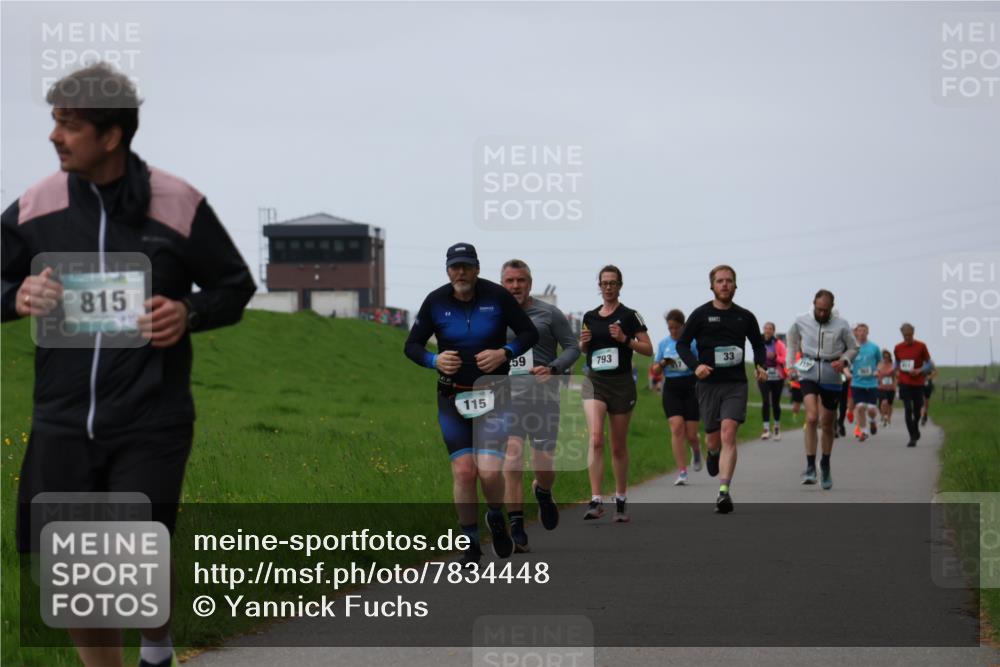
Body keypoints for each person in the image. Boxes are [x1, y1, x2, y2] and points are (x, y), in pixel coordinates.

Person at [3, 63, 257, 667]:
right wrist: (15, 296)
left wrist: (188, 311)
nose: (54, 136)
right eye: (54, 122)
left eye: (69, 125)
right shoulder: (35, 206)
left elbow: (235, 285)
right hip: (63, 418)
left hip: (150, 416)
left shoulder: (178, 203)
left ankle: (156, 647)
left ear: (111, 134)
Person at [405, 243, 539, 564]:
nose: (461, 272)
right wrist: (434, 360)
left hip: (495, 396)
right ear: (447, 270)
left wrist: (504, 353)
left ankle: (495, 515)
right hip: (453, 398)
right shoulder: (435, 301)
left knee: (490, 473)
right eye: (455, 267)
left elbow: (528, 333)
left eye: (466, 266)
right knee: (465, 472)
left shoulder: (497, 296)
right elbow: (411, 346)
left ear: (477, 268)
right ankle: (470, 542)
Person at [499, 259, 580, 552]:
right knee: (511, 460)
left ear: (530, 284)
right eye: (510, 281)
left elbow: (573, 347)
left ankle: (543, 491)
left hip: (544, 398)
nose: (515, 286)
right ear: (502, 285)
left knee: (543, 464)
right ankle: (517, 528)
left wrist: (554, 368)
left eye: (520, 280)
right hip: (507, 397)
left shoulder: (549, 314)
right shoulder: (494, 315)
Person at [676, 265, 767, 514]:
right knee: (714, 439)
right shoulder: (700, 314)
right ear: (712, 286)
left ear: (736, 285)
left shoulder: (745, 317)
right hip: (708, 385)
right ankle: (712, 453)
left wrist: (761, 365)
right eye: (720, 281)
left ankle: (723, 492)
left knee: (729, 432)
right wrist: (695, 366)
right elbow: (682, 344)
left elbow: (758, 345)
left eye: (729, 280)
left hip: (735, 384)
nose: (725, 284)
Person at [579, 265, 652, 522]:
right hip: (595, 382)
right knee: (596, 439)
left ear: (620, 285)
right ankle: (596, 499)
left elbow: (648, 349)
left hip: (621, 384)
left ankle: (620, 498)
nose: (608, 287)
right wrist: (583, 343)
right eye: (604, 283)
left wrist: (625, 340)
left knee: (618, 446)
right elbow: (584, 349)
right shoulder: (589, 316)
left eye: (612, 282)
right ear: (599, 286)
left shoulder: (630, 316)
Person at [785, 290, 858, 490]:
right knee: (811, 417)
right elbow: (791, 342)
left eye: (826, 310)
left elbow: (854, 347)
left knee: (827, 423)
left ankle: (825, 463)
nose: (822, 314)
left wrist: (844, 360)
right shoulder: (801, 320)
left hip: (831, 375)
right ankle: (810, 467)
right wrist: (790, 366)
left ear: (832, 307)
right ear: (814, 304)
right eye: (819, 310)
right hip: (807, 372)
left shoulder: (841, 324)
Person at [654, 309, 703, 486]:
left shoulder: (692, 343)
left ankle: (696, 449)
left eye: (676, 327)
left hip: (691, 388)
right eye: (670, 328)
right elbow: (655, 370)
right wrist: (662, 363)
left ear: (683, 326)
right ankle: (682, 471)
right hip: (671, 389)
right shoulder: (663, 344)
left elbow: (700, 364)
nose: (673, 331)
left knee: (691, 434)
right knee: (676, 428)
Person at [893, 323, 934, 447]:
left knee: (917, 410)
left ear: (913, 333)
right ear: (902, 334)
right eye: (905, 335)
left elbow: (929, 364)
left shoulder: (921, 346)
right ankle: (912, 437)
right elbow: (897, 362)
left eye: (909, 335)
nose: (907, 338)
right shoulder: (898, 347)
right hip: (904, 382)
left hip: (918, 383)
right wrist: (896, 370)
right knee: (908, 409)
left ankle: (915, 426)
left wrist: (919, 370)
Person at [850, 323, 882, 441]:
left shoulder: (874, 347)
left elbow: (880, 361)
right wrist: (847, 372)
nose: (862, 333)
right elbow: (846, 362)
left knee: (871, 409)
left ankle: (872, 421)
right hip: (857, 383)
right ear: (856, 333)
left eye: (864, 331)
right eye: (859, 331)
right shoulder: (852, 348)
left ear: (867, 332)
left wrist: (877, 370)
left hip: (871, 383)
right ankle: (864, 432)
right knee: (860, 407)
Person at [757, 322, 787, 441]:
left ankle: (776, 428)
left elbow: (784, 359)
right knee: (765, 401)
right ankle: (766, 429)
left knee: (775, 402)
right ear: (763, 330)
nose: (767, 330)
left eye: (770, 328)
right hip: (763, 374)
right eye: (766, 328)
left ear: (773, 331)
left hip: (777, 375)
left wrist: (775, 357)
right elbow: (756, 357)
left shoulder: (779, 344)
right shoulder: (759, 342)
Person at [876, 349, 897, 427]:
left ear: (889, 357)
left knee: (890, 404)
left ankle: (888, 419)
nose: (886, 358)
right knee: (883, 402)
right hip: (881, 387)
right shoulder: (879, 365)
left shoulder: (893, 365)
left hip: (891, 388)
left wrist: (895, 386)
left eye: (887, 357)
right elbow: (876, 374)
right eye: (884, 357)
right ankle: (883, 417)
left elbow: (895, 376)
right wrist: (877, 377)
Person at [789, 351, 804, 424]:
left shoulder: (809, 355)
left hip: (806, 384)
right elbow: (789, 368)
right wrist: (792, 374)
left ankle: (807, 422)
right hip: (796, 385)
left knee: (809, 404)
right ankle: (794, 418)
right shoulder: (796, 355)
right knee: (796, 405)